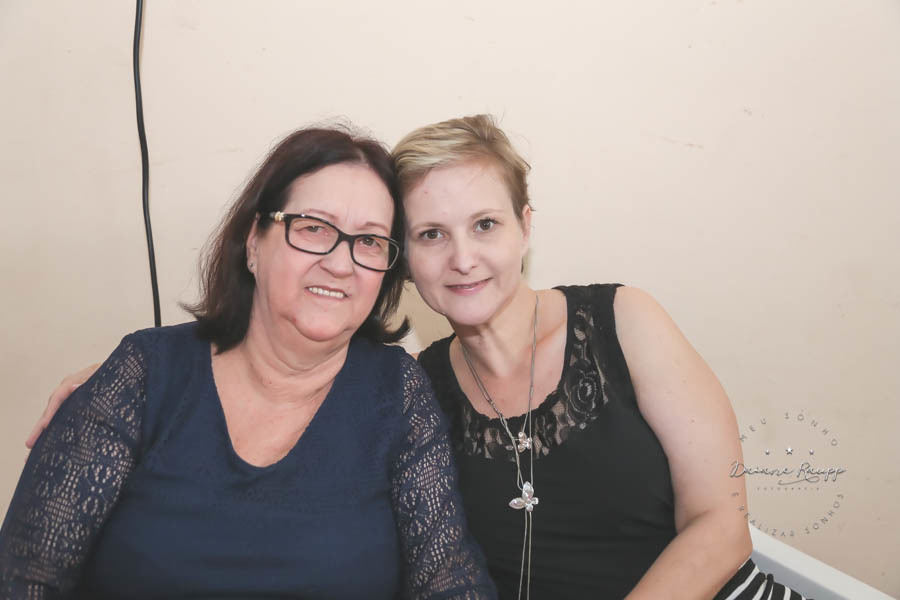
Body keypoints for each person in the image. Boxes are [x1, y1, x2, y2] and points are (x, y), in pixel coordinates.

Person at [28, 116, 807, 600]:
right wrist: (124, 384)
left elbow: (721, 524)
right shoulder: (419, 386)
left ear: (525, 226)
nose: (462, 258)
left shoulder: (619, 321)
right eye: (430, 235)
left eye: (485, 226)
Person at [1, 126, 496, 599]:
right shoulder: (143, 375)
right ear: (254, 242)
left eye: (369, 240)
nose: (340, 264)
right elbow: (24, 577)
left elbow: (448, 579)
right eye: (313, 228)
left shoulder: (398, 393)